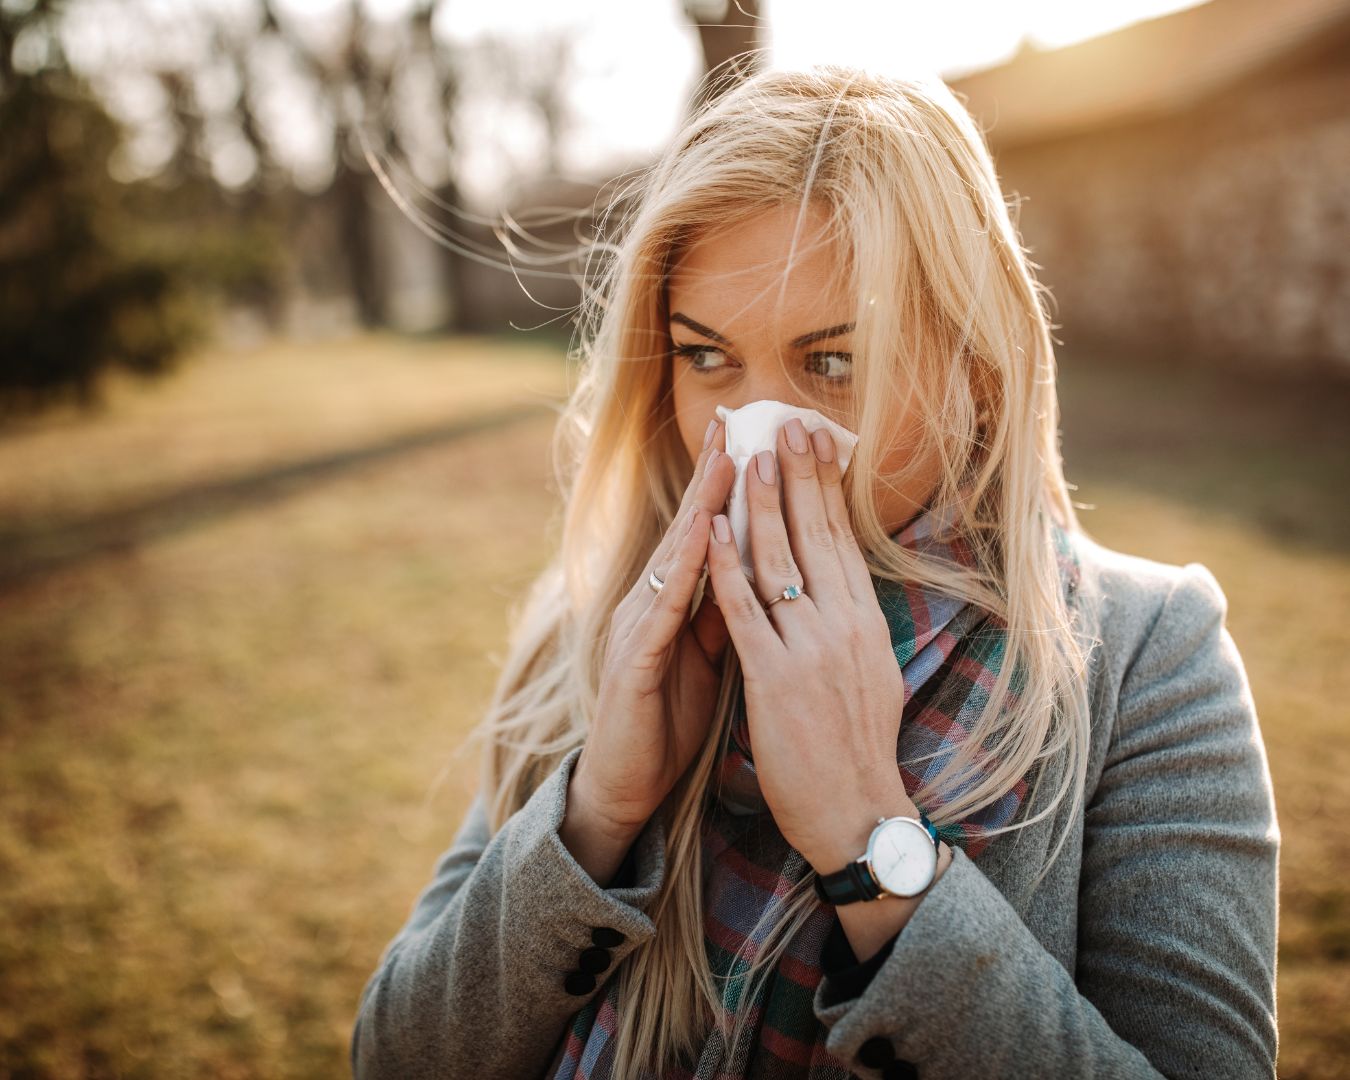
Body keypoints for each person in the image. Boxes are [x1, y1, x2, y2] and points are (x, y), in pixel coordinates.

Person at [350, 65, 1278, 1080]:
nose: (756, 434)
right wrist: (596, 816)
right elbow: (396, 1056)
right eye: (707, 357)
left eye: (833, 363)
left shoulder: (1147, 662)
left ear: (974, 365)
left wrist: (870, 840)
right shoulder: (601, 623)